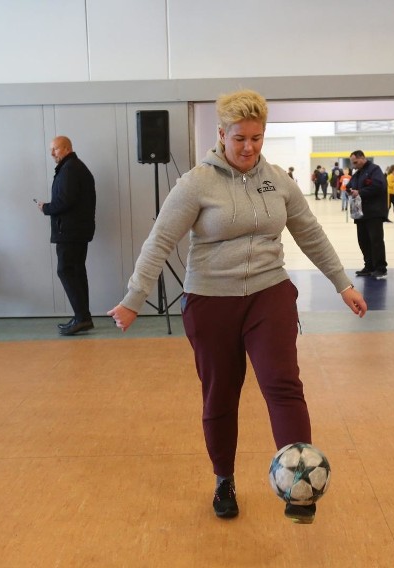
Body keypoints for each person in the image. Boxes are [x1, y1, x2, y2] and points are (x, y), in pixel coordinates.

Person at [108, 89, 367, 525]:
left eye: (257, 138)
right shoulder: (195, 183)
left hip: (270, 294)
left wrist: (342, 283)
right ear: (222, 134)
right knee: (221, 395)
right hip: (211, 300)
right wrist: (134, 299)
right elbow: (160, 242)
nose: (249, 148)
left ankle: (298, 482)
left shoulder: (278, 181)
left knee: (283, 384)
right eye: (240, 138)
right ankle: (224, 478)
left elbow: (310, 233)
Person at [37, 136, 96, 336]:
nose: (52, 153)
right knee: (77, 272)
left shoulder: (70, 169)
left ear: (67, 148)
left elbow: (65, 201)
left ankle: (82, 318)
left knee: (67, 271)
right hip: (76, 231)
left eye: (55, 149)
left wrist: (46, 208)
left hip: (70, 232)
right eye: (51, 149)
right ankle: (82, 316)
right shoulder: (74, 167)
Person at [347, 150, 388, 279]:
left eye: (355, 162)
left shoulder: (374, 170)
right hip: (361, 214)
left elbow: (379, 186)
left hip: (374, 212)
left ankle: (380, 268)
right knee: (363, 241)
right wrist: (350, 190)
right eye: (352, 163)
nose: (354, 165)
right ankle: (369, 266)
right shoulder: (358, 173)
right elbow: (349, 185)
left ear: (362, 158)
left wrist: (360, 192)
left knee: (376, 241)